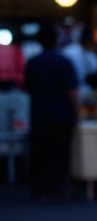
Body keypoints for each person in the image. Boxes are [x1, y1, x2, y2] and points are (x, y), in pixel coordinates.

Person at [23, 25, 79, 201]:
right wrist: (77, 113)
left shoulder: (33, 62)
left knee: (40, 152)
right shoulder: (64, 62)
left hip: (39, 114)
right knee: (61, 152)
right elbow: (72, 92)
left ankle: (39, 188)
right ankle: (59, 187)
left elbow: (27, 88)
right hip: (62, 115)